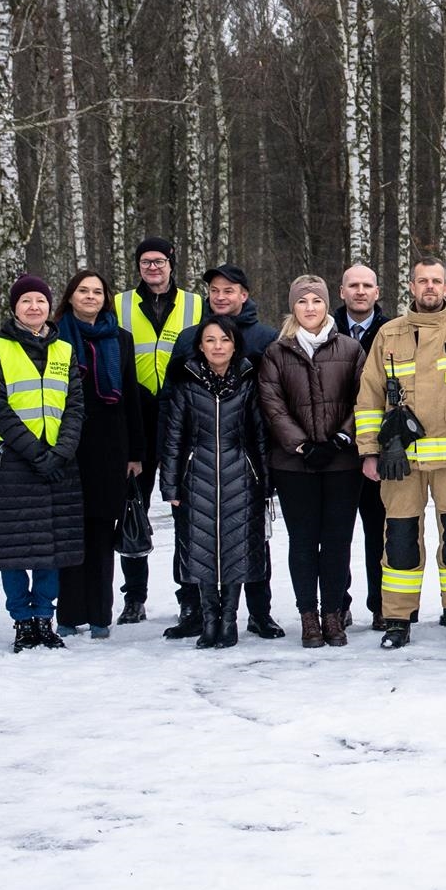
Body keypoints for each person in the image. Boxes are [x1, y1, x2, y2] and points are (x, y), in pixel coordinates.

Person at [356, 258, 446, 648]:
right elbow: (369, 397)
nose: (429, 287)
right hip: (402, 461)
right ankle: (397, 619)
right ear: (410, 287)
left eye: (436, 281)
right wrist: (369, 451)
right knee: (397, 540)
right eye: (422, 281)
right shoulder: (388, 335)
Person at [164, 264, 280, 639]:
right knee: (196, 540)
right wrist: (172, 476)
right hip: (198, 468)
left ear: (244, 294)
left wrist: (265, 472)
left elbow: (266, 415)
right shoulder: (188, 339)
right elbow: (173, 410)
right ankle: (196, 613)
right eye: (214, 290)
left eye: (229, 290)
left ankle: (258, 614)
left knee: (247, 540)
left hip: (241, 465)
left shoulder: (265, 338)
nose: (221, 296)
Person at [0, 275, 87, 653]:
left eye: (40, 300)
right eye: (26, 301)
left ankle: (44, 616)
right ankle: (22, 620)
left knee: (51, 547)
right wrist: (34, 452)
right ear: (15, 308)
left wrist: (61, 451)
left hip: (58, 461)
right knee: (14, 548)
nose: (34, 307)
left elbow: (75, 406)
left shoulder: (65, 351)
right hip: (12, 461)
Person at [260, 274, 367, 648]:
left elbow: (364, 398)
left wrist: (341, 438)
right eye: (303, 302)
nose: (310, 308)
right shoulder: (277, 352)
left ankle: (333, 615)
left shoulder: (351, 349)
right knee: (303, 542)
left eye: (317, 301)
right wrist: (302, 445)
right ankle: (308, 616)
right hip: (294, 465)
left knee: (337, 541)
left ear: (326, 306)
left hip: (341, 462)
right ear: (293, 307)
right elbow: (272, 406)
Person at [112, 237, 202, 626]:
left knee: (186, 511)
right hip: (136, 414)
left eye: (160, 261)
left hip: (184, 416)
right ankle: (134, 597)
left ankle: (189, 595)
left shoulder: (196, 304)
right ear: (137, 266)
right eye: (145, 261)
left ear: (172, 263)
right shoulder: (119, 304)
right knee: (133, 508)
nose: (153, 268)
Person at [54, 271, 138, 638]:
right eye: (83, 291)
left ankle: (101, 616)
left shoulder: (120, 338)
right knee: (70, 533)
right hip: (67, 446)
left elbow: (132, 397)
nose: (90, 297)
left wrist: (136, 452)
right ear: (70, 297)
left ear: (106, 299)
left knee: (103, 533)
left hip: (109, 447)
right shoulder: (55, 336)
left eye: (97, 292)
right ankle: (69, 615)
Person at [335, 262, 391, 623]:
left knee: (380, 532)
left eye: (366, 285)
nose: (359, 291)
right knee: (338, 534)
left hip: (380, 449)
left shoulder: (393, 331)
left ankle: (382, 606)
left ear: (377, 292)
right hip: (335, 449)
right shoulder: (323, 327)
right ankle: (339, 603)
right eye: (352, 285)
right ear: (341, 292)